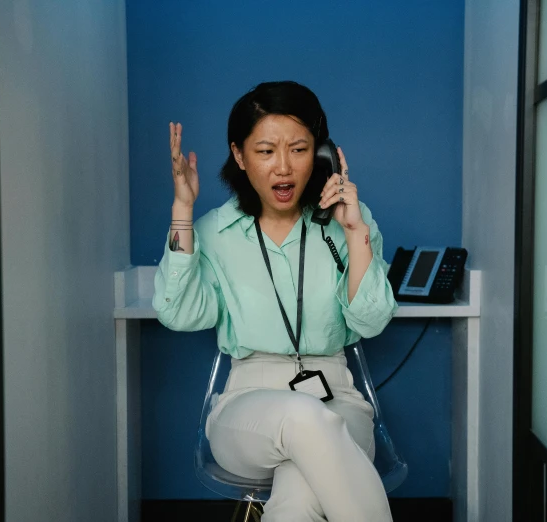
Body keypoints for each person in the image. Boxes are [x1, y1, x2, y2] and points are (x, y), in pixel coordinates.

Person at [153, 81, 398, 522]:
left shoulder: (348, 224)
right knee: (305, 420)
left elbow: (371, 320)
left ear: (321, 154)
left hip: (337, 399)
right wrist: (182, 209)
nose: (283, 167)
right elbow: (180, 313)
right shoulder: (213, 232)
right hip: (247, 405)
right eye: (266, 151)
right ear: (240, 155)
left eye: (299, 149)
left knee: (299, 494)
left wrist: (356, 232)